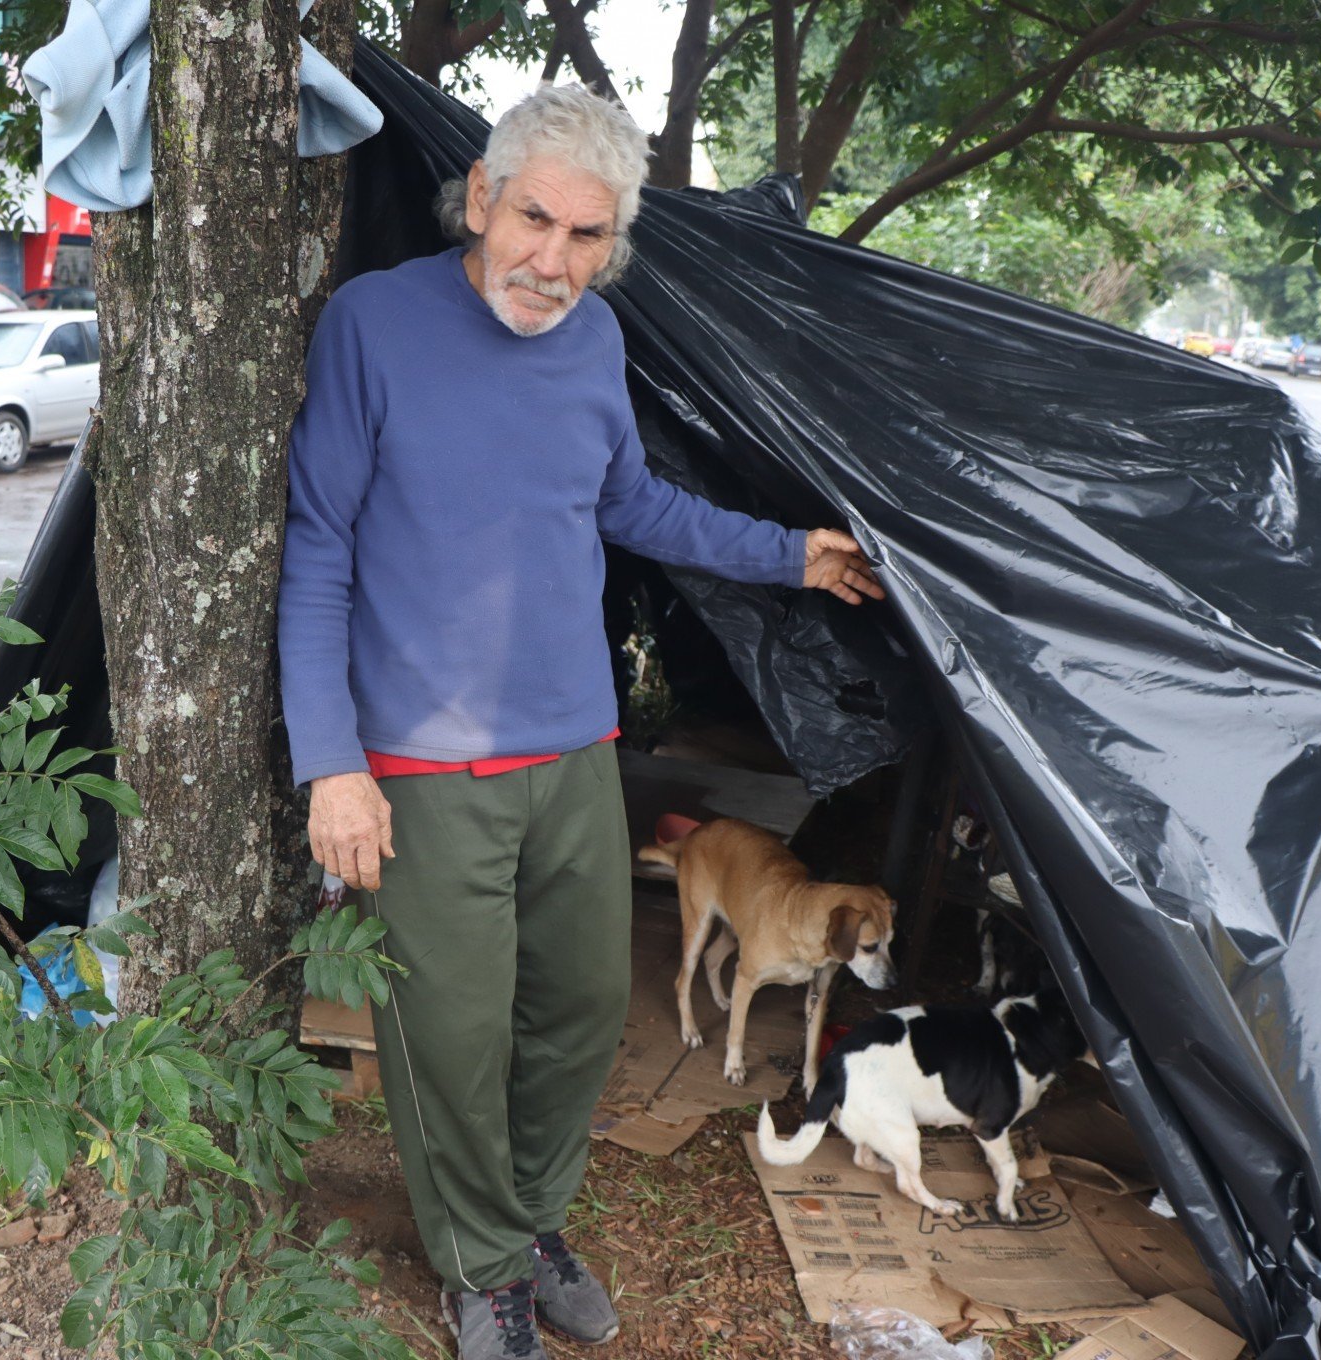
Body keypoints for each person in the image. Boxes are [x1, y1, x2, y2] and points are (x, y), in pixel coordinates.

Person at [276, 83, 883, 1360]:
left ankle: (530, 1220)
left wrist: (792, 556)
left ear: (615, 248)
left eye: (586, 237)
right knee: (447, 1032)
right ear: (482, 198)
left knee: (580, 1011)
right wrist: (332, 763)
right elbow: (319, 545)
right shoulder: (373, 322)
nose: (552, 261)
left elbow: (639, 508)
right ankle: (481, 1269)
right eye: (534, 219)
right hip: (421, 765)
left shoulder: (592, 342)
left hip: (573, 748)